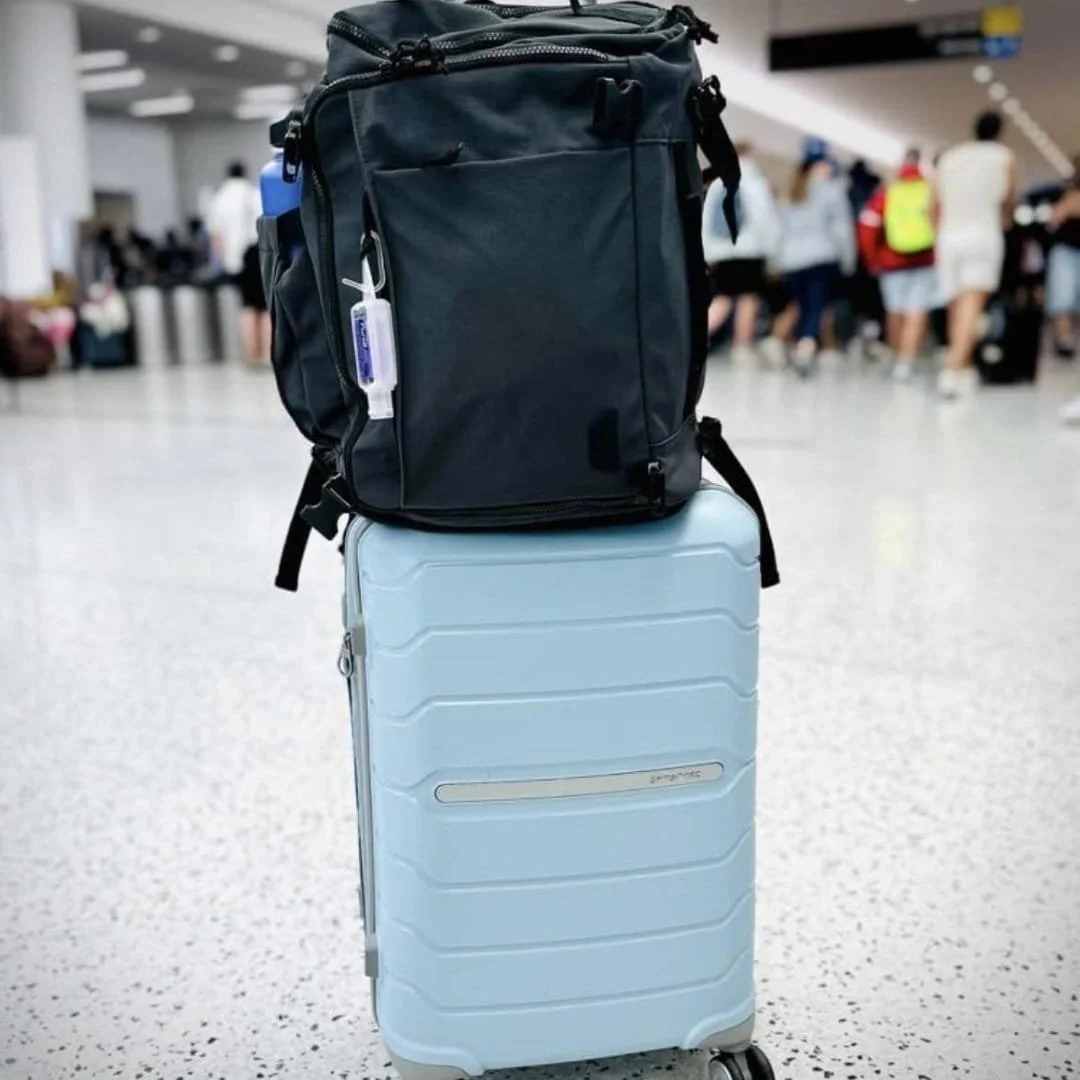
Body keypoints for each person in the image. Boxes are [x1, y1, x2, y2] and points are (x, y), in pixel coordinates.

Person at [933, 111, 1018, 399]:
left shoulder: (950, 157)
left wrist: (939, 232)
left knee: (956, 305)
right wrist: (1004, 220)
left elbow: (934, 202)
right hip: (982, 234)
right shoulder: (1003, 156)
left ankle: (965, 367)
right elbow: (1009, 200)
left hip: (948, 236)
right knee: (972, 304)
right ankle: (953, 368)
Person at [857, 148, 938, 380]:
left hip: (891, 262)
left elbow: (867, 229)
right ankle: (906, 362)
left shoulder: (886, 193)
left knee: (895, 311)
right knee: (917, 311)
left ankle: (895, 357)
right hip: (924, 259)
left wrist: (872, 260)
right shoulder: (930, 190)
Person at [702, 142, 782, 365]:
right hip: (749, 249)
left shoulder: (717, 183)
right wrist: (771, 248)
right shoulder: (755, 182)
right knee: (748, 299)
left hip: (720, 252)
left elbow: (705, 220)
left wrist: (708, 251)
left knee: (722, 298)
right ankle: (741, 346)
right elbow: (763, 219)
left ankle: (693, 338)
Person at [778, 153, 856, 375]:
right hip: (821, 256)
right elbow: (842, 230)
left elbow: (780, 230)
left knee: (802, 305)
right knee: (816, 305)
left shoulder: (792, 193)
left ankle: (799, 344)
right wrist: (848, 260)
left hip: (792, 259)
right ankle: (806, 347)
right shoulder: (832, 191)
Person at [208, 162, 267, 366]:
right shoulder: (252, 193)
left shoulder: (219, 198)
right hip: (254, 253)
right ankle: (267, 352)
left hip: (234, 260)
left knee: (247, 306)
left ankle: (251, 355)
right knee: (265, 307)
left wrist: (226, 259)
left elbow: (216, 237)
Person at [1046, 161, 1080, 362]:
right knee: (1063, 296)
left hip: (1066, 250)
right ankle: (1065, 339)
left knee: (1071, 299)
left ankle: (1068, 336)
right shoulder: (1064, 193)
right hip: (1065, 250)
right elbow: (1054, 220)